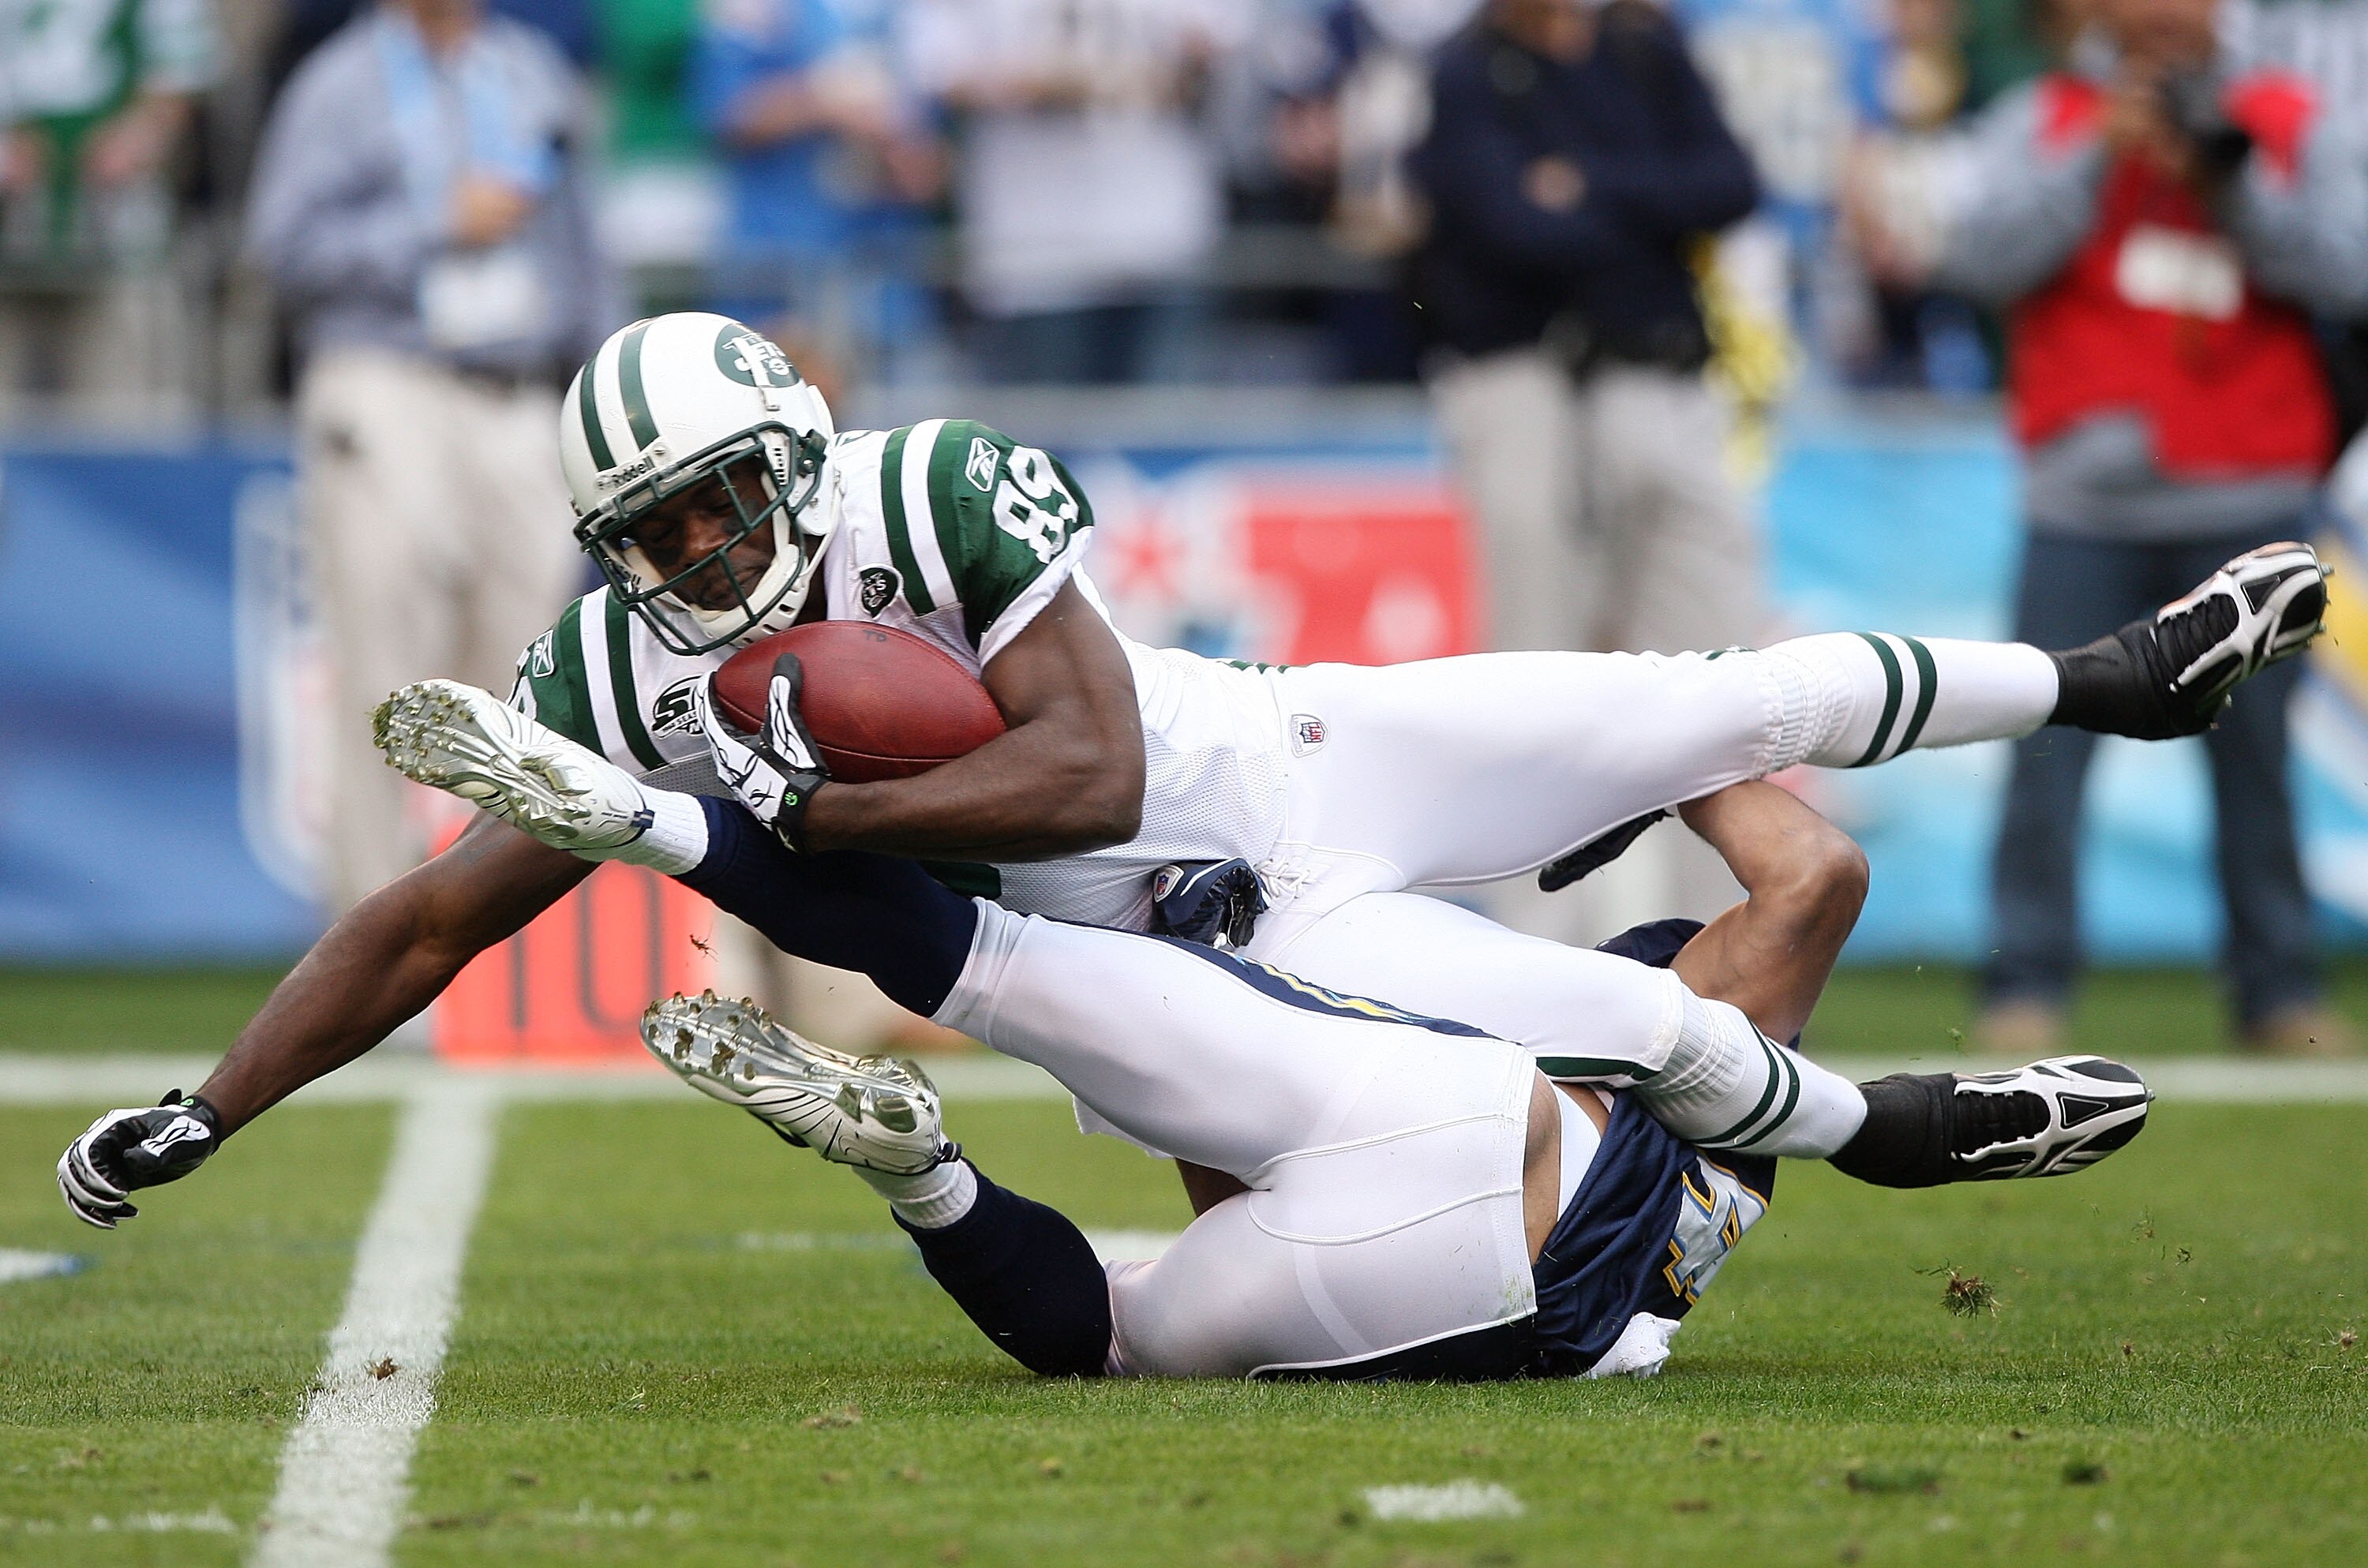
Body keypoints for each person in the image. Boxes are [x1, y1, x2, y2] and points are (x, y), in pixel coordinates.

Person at [45, 309, 2323, 1218]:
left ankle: (2112, 673)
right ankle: (1887, 1135)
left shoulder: (928, 485)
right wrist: (214, 1103)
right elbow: (429, 916)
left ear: (795, 458)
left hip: (1283, 755)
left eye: (726, 506)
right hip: (1167, 978)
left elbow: (1087, 759)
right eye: (662, 533)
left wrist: (819, 807)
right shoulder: (618, 665)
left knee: (1705, 697)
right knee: (1616, 1026)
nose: (707, 558)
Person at [61, 765, 2153, 1380]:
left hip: (1418, 1154)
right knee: (1115, 1333)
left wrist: (1620, 758)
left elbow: (1782, 874)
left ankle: (687, 846)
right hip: (1528, 1262)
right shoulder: (1670, 1082)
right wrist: (1654, 755)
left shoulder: (1560, 1017)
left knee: (1020, 973)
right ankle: (926, 1179)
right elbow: (1820, 871)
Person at [1912, 0, 2368, 1055]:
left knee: (2256, 763)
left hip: (2247, 487)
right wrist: (2091, 158)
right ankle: (2025, 981)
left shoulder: (2288, 118)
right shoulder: (2044, 116)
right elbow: (1974, 261)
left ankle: (2277, 992)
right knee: (2044, 746)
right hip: (2083, 503)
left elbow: (2349, 271)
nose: (2161, 14)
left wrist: (2230, 184)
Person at [246, 0, 621, 913]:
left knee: (536, 673)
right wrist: (429, 223)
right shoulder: (340, 83)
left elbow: (582, 238)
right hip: (387, 378)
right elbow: (278, 246)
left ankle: (515, 935)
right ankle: (368, 928)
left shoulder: (529, 69)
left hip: (519, 391)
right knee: (383, 660)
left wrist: (605, 381)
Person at [899, 0, 1249, 384]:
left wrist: (1162, 69)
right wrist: (1048, 79)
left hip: (1162, 238)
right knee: (1046, 417)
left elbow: (1227, 41)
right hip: (1035, 251)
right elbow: (936, 67)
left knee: (1170, 415)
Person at [0, 0, 217, 421]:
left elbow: (179, 77)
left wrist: (130, 143)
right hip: (13, 229)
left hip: (119, 235)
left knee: (120, 417)